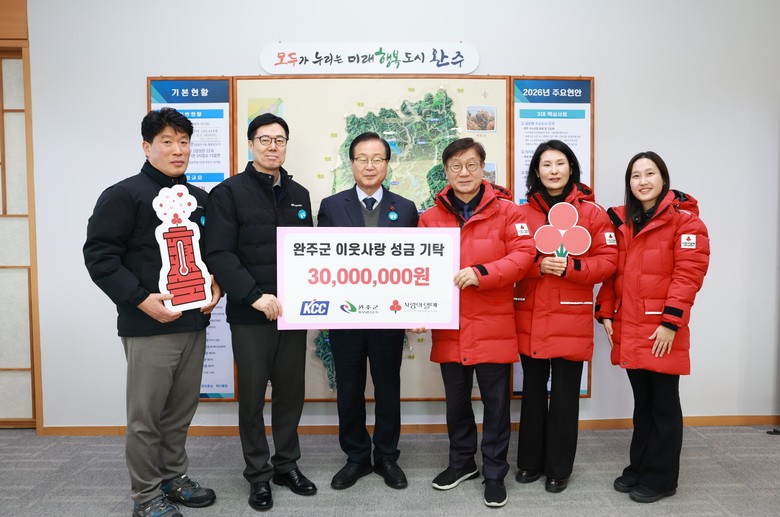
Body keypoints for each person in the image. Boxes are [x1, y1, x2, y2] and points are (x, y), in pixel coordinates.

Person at [84, 107, 220, 517]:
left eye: (184, 142)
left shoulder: (199, 200)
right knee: (146, 416)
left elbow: (211, 255)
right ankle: (145, 497)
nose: (178, 150)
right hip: (148, 325)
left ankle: (173, 477)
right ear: (147, 147)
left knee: (180, 411)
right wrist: (141, 299)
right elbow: (100, 256)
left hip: (194, 321)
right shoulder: (124, 195)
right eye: (167, 141)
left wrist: (217, 285)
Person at [204, 114, 315, 512]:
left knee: (290, 393)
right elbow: (219, 252)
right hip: (251, 313)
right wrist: (254, 296)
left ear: (286, 145)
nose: (272, 146)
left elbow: (310, 254)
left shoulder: (299, 194)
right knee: (252, 397)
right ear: (250, 144)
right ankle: (258, 474)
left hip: (293, 313)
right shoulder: (228, 192)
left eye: (279, 140)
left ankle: (286, 465)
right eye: (265, 139)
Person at [417, 138, 535, 508]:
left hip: (493, 326)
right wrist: (418, 311)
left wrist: (481, 273)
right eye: (455, 166)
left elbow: (524, 256)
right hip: (450, 327)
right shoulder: (429, 218)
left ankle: (495, 472)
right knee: (456, 404)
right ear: (445, 171)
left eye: (471, 164)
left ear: (483, 168)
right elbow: (419, 271)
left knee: (496, 406)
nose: (464, 172)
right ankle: (461, 463)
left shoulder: (509, 212)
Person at [595, 151, 710, 503]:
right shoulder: (623, 223)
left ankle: (661, 478)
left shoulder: (686, 223)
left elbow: (688, 276)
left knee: (663, 405)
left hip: (661, 328)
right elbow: (614, 273)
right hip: (630, 325)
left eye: (650, 173)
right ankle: (640, 467)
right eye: (635, 175)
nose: (642, 181)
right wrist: (606, 312)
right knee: (642, 404)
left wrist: (670, 322)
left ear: (663, 178)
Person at [513, 140, 617, 494]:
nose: (553, 170)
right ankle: (529, 462)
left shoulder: (593, 214)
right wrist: (536, 266)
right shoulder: (521, 213)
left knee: (564, 396)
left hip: (571, 318)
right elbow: (510, 258)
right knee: (531, 392)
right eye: (546, 164)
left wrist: (572, 267)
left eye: (560, 163)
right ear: (536, 171)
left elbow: (609, 261)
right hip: (530, 315)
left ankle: (559, 468)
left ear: (571, 168)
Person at [317, 132, 419, 491]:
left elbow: (415, 265)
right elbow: (321, 260)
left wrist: (417, 307)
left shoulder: (405, 208)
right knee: (349, 388)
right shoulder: (331, 206)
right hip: (344, 315)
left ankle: (387, 455)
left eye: (378, 159)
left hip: (389, 316)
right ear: (352, 163)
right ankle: (357, 456)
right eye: (362, 158)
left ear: (388, 164)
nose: (370, 165)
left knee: (388, 387)